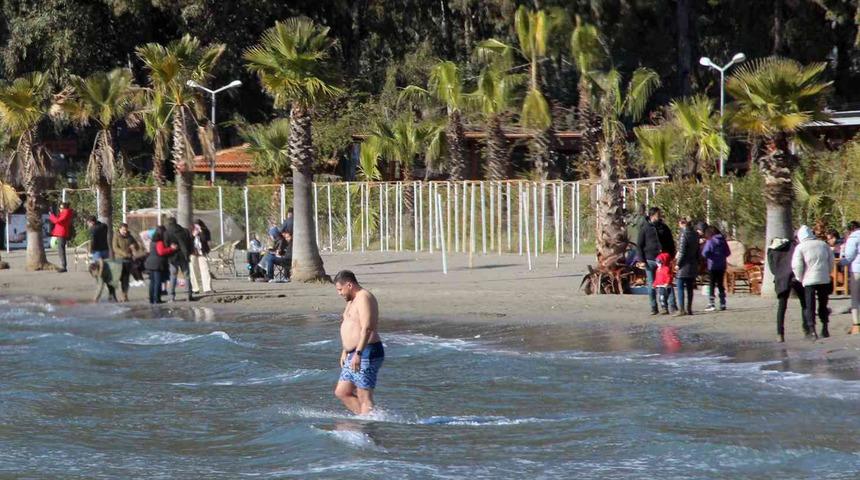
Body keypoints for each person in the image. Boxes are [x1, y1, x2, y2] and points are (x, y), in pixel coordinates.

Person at [333, 270, 384, 415]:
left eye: (340, 289)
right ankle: (367, 417)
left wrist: (358, 353)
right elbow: (350, 325)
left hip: (366, 351)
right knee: (342, 392)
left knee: (364, 395)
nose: (339, 293)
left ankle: (368, 426)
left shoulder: (364, 298)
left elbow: (367, 327)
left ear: (349, 285)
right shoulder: (351, 300)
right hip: (352, 353)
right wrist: (345, 350)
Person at [792, 225, 835, 339]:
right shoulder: (823, 244)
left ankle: (812, 330)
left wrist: (799, 278)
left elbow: (797, 265)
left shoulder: (800, 247)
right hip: (824, 278)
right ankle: (825, 327)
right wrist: (827, 272)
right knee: (823, 303)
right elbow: (831, 261)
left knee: (810, 305)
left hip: (809, 280)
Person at [636, 207, 677, 315]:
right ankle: (654, 307)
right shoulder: (644, 228)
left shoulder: (664, 228)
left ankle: (671, 306)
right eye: (658, 215)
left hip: (663, 260)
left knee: (667, 283)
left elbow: (671, 243)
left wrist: (671, 256)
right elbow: (639, 245)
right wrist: (641, 260)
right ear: (652, 216)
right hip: (650, 260)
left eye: (660, 215)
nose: (659, 217)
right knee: (651, 284)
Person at [768, 237, 807, 342]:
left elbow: (772, 269)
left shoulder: (772, 250)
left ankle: (780, 333)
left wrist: (780, 273)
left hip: (781, 279)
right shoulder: (793, 246)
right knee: (804, 303)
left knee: (782, 307)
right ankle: (807, 329)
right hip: (795, 277)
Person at [143, 226, 177, 305]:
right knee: (157, 282)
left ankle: (152, 299)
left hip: (150, 263)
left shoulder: (152, 242)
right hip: (157, 264)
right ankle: (156, 299)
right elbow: (161, 252)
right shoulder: (160, 242)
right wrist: (171, 249)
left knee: (152, 282)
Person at [701, 226, 731, 312]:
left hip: (712, 265)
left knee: (712, 284)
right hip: (722, 265)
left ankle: (711, 303)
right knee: (720, 284)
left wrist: (711, 257)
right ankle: (723, 303)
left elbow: (704, 253)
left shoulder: (710, 241)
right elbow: (728, 253)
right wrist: (721, 257)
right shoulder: (723, 241)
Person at [164, 217, 194, 302]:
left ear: (169, 223)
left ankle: (172, 297)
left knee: (173, 276)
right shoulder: (185, 231)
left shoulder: (167, 232)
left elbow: (166, 245)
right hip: (184, 256)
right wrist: (189, 253)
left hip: (173, 257)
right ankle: (188, 295)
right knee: (187, 276)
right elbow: (190, 242)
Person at [674, 218, 700, 316]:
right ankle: (689, 309)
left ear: (683, 224)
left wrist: (678, 264)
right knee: (690, 288)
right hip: (692, 263)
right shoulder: (695, 234)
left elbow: (682, 251)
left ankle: (681, 309)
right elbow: (698, 250)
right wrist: (697, 262)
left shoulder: (683, 235)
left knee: (680, 286)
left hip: (684, 264)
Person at [112, 223, 141, 302]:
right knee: (117, 278)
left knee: (125, 279)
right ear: (120, 229)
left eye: (126, 229)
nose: (125, 231)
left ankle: (124, 295)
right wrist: (124, 254)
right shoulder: (116, 236)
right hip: (119, 260)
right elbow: (115, 248)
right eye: (123, 230)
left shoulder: (130, 236)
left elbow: (137, 246)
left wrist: (134, 246)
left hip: (128, 260)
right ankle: (113, 296)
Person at [841, 221, 860, 335]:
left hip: (857, 270)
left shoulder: (853, 237)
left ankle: (856, 326)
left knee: (856, 297)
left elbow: (849, 256)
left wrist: (841, 263)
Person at [189, 220, 213, 294]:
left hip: (202, 253)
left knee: (205, 270)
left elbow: (205, 239)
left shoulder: (205, 231)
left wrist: (201, 231)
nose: (196, 227)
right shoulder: (190, 231)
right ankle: (195, 289)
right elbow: (188, 240)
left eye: (198, 225)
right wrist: (193, 235)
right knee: (193, 271)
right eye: (195, 225)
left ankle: (207, 288)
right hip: (193, 253)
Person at [48, 202, 74, 272]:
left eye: (61, 208)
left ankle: (64, 266)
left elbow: (57, 221)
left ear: (64, 208)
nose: (60, 209)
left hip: (62, 233)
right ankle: (63, 265)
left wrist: (51, 216)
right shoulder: (65, 212)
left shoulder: (66, 212)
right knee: (60, 250)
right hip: (60, 232)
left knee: (61, 250)